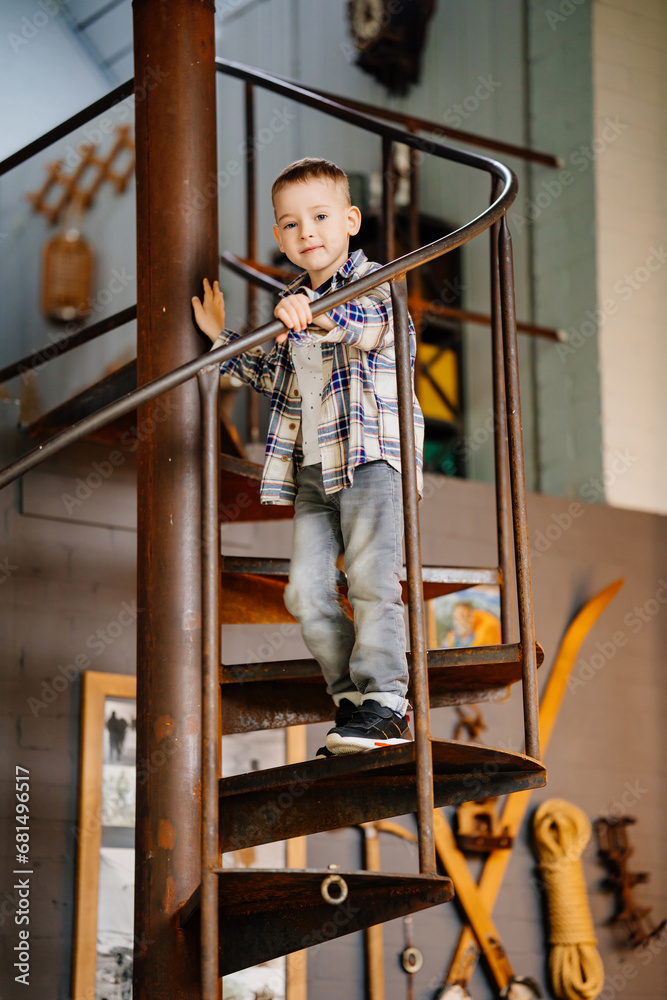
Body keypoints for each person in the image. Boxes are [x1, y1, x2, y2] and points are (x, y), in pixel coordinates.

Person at [192, 157, 424, 756]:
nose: (307, 233)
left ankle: (389, 702)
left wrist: (312, 315)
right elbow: (273, 376)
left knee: (373, 579)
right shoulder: (290, 304)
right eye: (291, 225)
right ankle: (350, 700)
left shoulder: (378, 284)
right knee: (304, 591)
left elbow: (364, 327)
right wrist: (221, 339)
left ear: (350, 220)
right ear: (279, 237)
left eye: (320, 217)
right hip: (313, 468)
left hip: (372, 459)